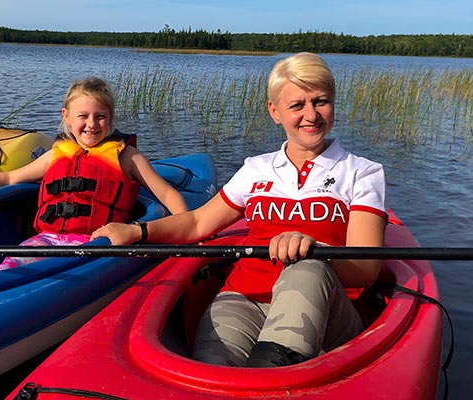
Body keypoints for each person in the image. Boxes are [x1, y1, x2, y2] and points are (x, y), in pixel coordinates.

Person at [91, 52, 388, 368]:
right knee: (215, 365)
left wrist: (314, 250)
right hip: (245, 298)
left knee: (307, 268)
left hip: (328, 312)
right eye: (297, 105)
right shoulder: (256, 169)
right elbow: (197, 222)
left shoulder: (362, 172)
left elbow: (367, 269)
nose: (311, 115)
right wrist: (137, 230)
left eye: (321, 101)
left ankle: (274, 373)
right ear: (275, 111)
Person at [0, 77, 188, 271]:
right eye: (83, 116)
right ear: (67, 117)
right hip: (47, 240)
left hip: (99, 245)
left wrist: (187, 228)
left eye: (100, 117)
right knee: (7, 271)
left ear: (110, 118)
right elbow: (8, 178)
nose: (91, 125)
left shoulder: (126, 156)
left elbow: (164, 192)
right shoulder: (58, 153)